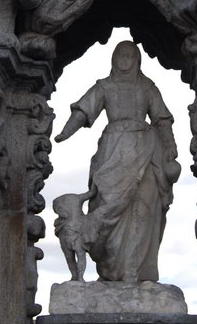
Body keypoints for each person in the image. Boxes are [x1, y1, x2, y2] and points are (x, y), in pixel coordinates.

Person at [54, 41, 180, 282]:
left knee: (141, 210)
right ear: (113, 59)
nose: (125, 60)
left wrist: (170, 148)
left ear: (137, 60)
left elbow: (162, 119)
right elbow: (83, 110)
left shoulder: (147, 87)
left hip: (145, 150)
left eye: (130, 56)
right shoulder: (105, 86)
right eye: (120, 55)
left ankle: (135, 271)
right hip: (112, 152)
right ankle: (112, 271)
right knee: (106, 203)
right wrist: (65, 132)